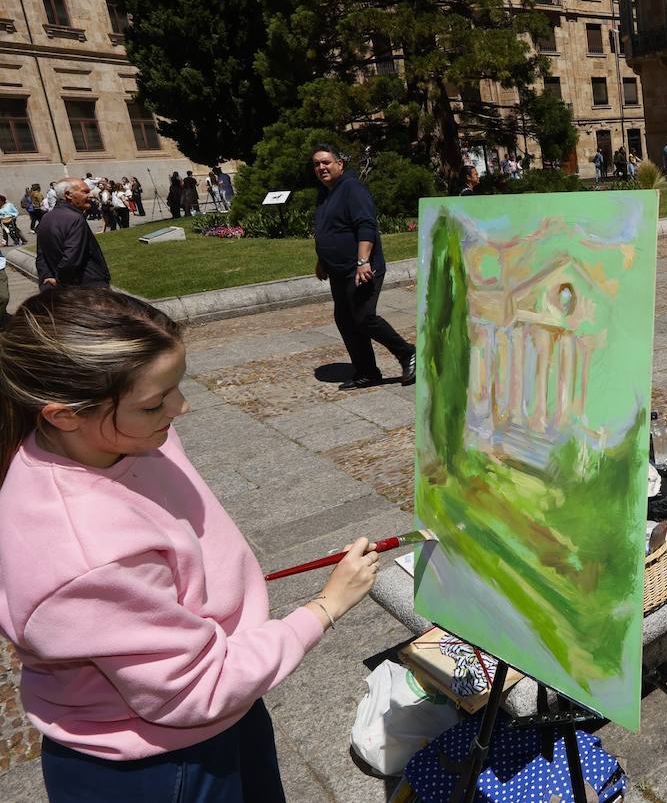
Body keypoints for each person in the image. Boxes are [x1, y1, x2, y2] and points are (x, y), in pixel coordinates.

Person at [0, 286, 380, 802]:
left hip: (215, 705)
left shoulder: (122, 436)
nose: (182, 407)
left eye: (176, 386)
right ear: (63, 414)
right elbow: (197, 690)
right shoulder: (84, 553)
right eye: (156, 401)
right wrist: (325, 606)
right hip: (160, 762)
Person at [311, 144, 416, 390]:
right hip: (338, 270)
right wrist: (321, 260)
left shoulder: (351, 188)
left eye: (326, 162)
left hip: (361, 267)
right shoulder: (325, 193)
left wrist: (362, 261)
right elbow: (328, 231)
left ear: (340, 164)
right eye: (316, 164)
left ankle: (408, 353)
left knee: (364, 317)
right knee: (345, 320)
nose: (321, 167)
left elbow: (366, 226)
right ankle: (367, 372)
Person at [35, 178, 111, 288]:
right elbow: (71, 258)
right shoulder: (75, 219)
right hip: (89, 286)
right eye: (85, 192)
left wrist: (47, 276)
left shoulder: (46, 218)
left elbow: (41, 256)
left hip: (64, 288)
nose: (91, 195)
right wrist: (60, 279)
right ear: (68, 195)